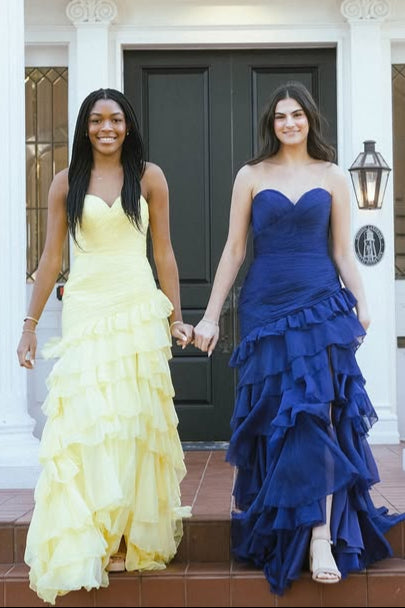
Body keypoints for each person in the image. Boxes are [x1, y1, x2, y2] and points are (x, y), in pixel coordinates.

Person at [193, 81, 405, 595]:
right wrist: (211, 316)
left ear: (310, 119)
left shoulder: (332, 175)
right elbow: (234, 249)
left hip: (319, 304)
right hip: (266, 308)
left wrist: (362, 300)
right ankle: (288, 526)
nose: (289, 123)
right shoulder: (250, 175)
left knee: (318, 415)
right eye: (280, 116)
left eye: (297, 115)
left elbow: (342, 250)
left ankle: (319, 537)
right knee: (277, 419)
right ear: (272, 123)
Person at [16, 88, 193, 605]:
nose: (106, 128)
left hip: (137, 306)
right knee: (89, 422)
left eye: (115, 119)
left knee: (133, 419)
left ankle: (124, 535)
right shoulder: (65, 181)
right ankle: (92, 532)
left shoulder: (151, 177)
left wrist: (176, 317)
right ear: (86, 127)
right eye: (97, 120)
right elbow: (51, 259)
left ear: (128, 125)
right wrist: (29, 325)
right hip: (88, 309)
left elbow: (164, 253)